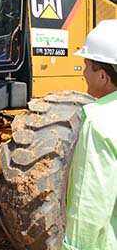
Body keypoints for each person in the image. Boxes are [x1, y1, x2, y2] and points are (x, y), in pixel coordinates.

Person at [63, 19, 117, 250]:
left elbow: (89, 210)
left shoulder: (99, 123)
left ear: (102, 76)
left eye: (86, 65)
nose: (83, 72)